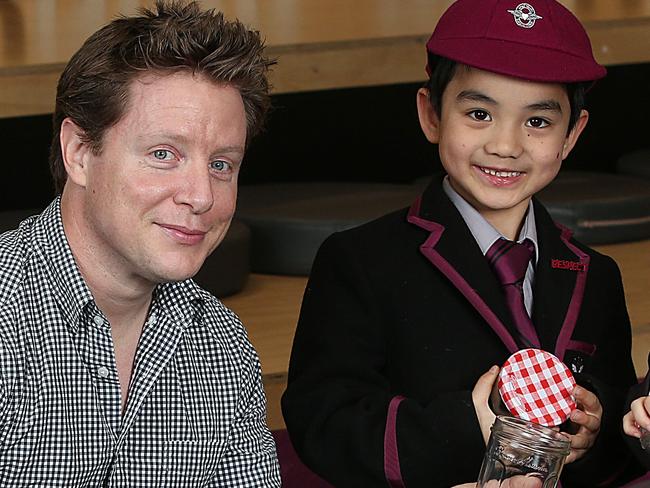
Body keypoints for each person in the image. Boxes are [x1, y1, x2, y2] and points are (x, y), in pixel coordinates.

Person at [282, 0, 641, 486]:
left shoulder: (597, 275)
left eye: (538, 121)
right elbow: (324, 422)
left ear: (572, 135)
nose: (506, 145)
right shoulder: (361, 262)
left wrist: (596, 428)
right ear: (431, 114)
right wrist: (468, 423)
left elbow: (619, 423)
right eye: (478, 113)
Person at [0, 1, 280, 486]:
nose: (200, 197)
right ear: (80, 153)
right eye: (163, 154)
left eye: (221, 165)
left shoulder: (222, 342)